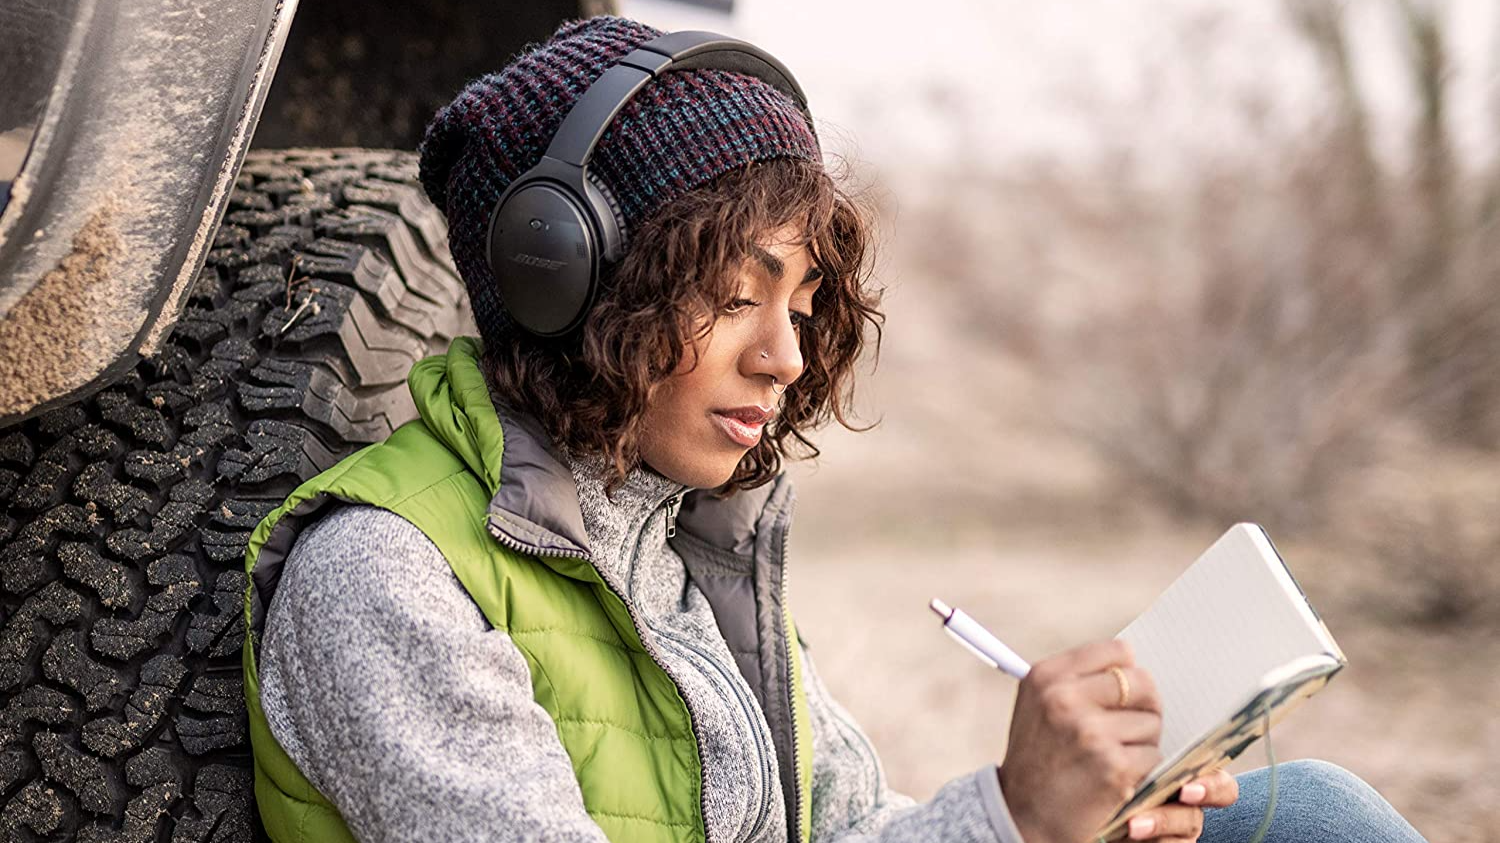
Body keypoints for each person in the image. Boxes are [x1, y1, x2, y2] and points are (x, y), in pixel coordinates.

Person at [240, 14, 1431, 843]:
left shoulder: (678, 543)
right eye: (733, 295)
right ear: (564, 277)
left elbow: (851, 825)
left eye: (804, 307)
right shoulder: (388, 581)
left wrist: (1066, 825)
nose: (787, 356)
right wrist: (1010, 817)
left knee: (1301, 809)